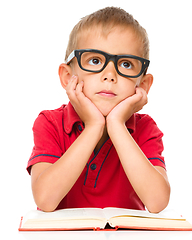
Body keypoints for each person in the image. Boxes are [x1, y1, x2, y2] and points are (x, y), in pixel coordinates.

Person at [27, 7, 170, 213]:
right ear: (68, 77)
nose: (110, 75)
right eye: (95, 61)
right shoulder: (49, 123)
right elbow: (45, 200)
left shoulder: (146, 128)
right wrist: (94, 126)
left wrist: (116, 124)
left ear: (144, 85)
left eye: (126, 64)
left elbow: (157, 203)